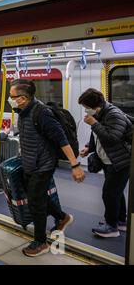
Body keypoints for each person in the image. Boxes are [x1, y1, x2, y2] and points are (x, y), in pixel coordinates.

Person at [8, 79, 85, 257]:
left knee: (35, 202)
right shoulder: (23, 111)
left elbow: (61, 139)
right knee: (37, 196)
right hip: (30, 163)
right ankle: (63, 217)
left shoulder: (42, 113)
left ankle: (40, 242)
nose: (10, 100)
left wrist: (75, 165)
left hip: (43, 165)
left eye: (12, 97)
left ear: (23, 98)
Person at [78, 88, 132, 238]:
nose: (86, 111)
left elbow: (112, 138)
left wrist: (94, 123)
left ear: (97, 106)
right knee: (116, 192)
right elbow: (96, 135)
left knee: (109, 194)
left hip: (121, 161)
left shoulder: (114, 115)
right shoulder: (101, 113)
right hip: (109, 160)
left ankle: (111, 227)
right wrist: (89, 148)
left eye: (87, 108)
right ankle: (120, 221)